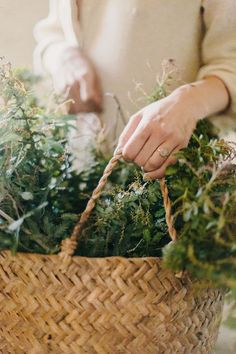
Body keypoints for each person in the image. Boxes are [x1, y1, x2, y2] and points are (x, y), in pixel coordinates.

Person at [34, 0, 236, 179]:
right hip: (77, 165)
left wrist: (187, 103)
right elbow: (55, 30)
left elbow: (230, 64)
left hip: (176, 177)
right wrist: (62, 56)